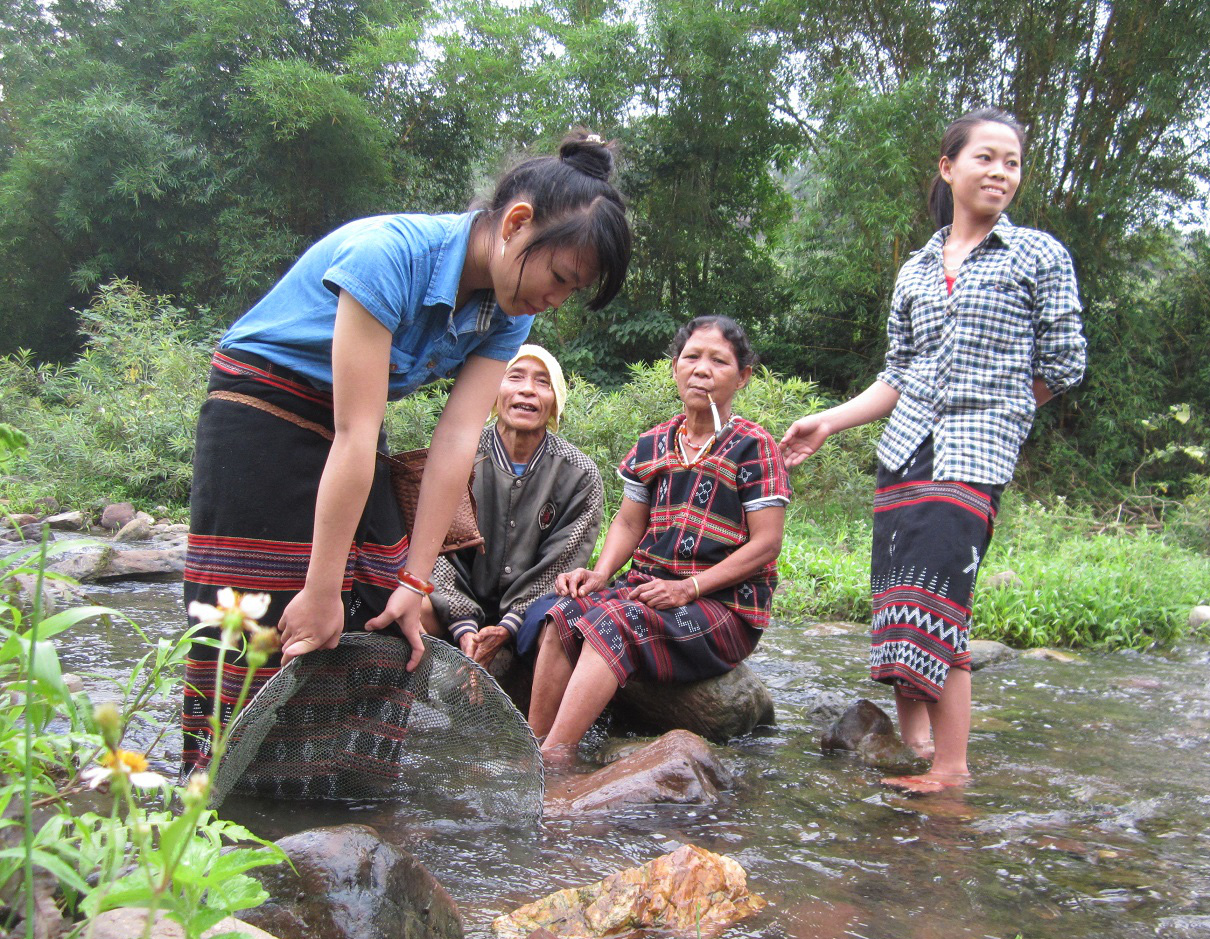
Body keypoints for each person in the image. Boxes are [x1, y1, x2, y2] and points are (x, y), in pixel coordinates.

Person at [181, 131, 631, 775]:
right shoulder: (390, 255)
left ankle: (337, 778)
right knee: (272, 604)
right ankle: (218, 781)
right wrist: (316, 588)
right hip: (261, 403)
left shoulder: (509, 310)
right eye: (558, 277)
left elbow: (454, 443)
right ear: (517, 223)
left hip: (350, 420)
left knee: (387, 604)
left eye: (571, 291)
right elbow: (355, 435)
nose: (554, 300)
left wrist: (415, 579)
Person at [780, 108, 1086, 793]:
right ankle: (913, 740)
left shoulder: (1038, 255)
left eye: (1012, 161)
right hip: (905, 451)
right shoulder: (917, 269)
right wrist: (829, 421)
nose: (1000, 172)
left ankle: (951, 769)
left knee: (940, 602)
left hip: (974, 456)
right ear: (949, 168)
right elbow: (898, 374)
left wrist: (1005, 408)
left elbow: (1065, 363)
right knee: (896, 600)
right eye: (986, 158)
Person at [527, 316, 791, 756]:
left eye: (718, 361)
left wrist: (689, 587)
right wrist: (601, 573)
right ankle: (532, 744)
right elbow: (629, 524)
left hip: (723, 605)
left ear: (742, 376)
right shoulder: (653, 443)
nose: (701, 369)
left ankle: (555, 759)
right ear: (674, 368)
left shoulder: (754, 446)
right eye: (691, 357)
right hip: (651, 588)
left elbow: (767, 544)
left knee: (613, 624)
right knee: (564, 613)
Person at [422, 344, 603, 669]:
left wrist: (507, 626)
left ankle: (537, 721)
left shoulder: (579, 474)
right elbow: (434, 549)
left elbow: (561, 563)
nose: (527, 390)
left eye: (542, 382)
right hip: (452, 602)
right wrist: (464, 625)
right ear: (494, 392)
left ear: (555, 403)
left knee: (565, 619)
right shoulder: (460, 454)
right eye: (515, 377)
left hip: (531, 612)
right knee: (407, 603)